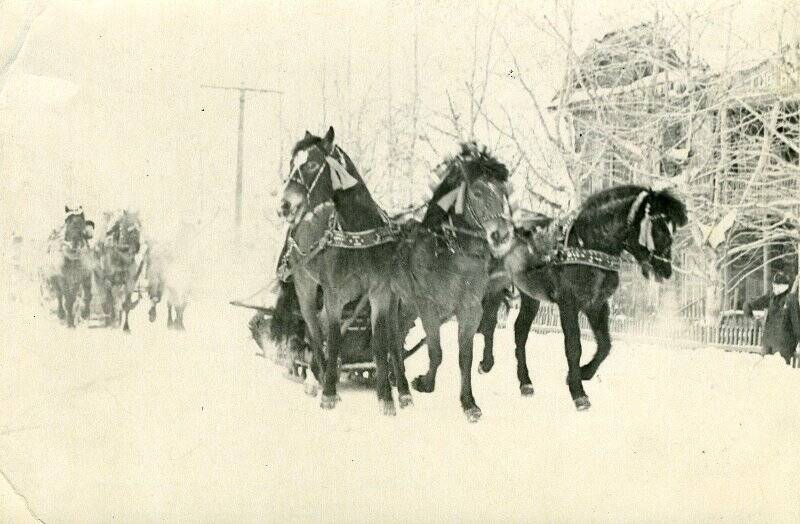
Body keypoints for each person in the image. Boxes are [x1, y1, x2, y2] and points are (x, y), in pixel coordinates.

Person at [743, 271, 800, 365]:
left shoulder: (791, 300)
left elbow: (796, 323)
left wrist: (798, 341)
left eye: (778, 285)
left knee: (779, 371)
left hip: (784, 345)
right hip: (768, 343)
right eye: (774, 285)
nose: (775, 287)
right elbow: (753, 303)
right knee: (764, 370)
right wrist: (748, 309)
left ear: (784, 286)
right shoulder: (771, 297)